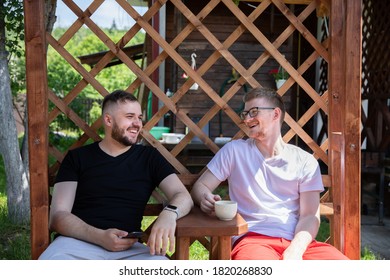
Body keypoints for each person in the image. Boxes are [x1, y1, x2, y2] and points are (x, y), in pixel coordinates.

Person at [191, 87, 348, 260]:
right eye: (245, 114)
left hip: (299, 243)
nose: (247, 119)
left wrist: (295, 250)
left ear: (275, 114)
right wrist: (204, 198)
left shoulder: (304, 161)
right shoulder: (234, 151)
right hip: (252, 240)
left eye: (254, 112)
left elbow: (310, 216)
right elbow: (201, 186)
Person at [39, 90, 193, 260]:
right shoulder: (78, 158)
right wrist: (100, 237)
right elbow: (58, 216)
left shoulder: (149, 158)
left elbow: (183, 196)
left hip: (128, 250)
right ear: (108, 120)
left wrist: (169, 214)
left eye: (139, 118)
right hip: (75, 245)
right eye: (129, 116)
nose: (137, 124)